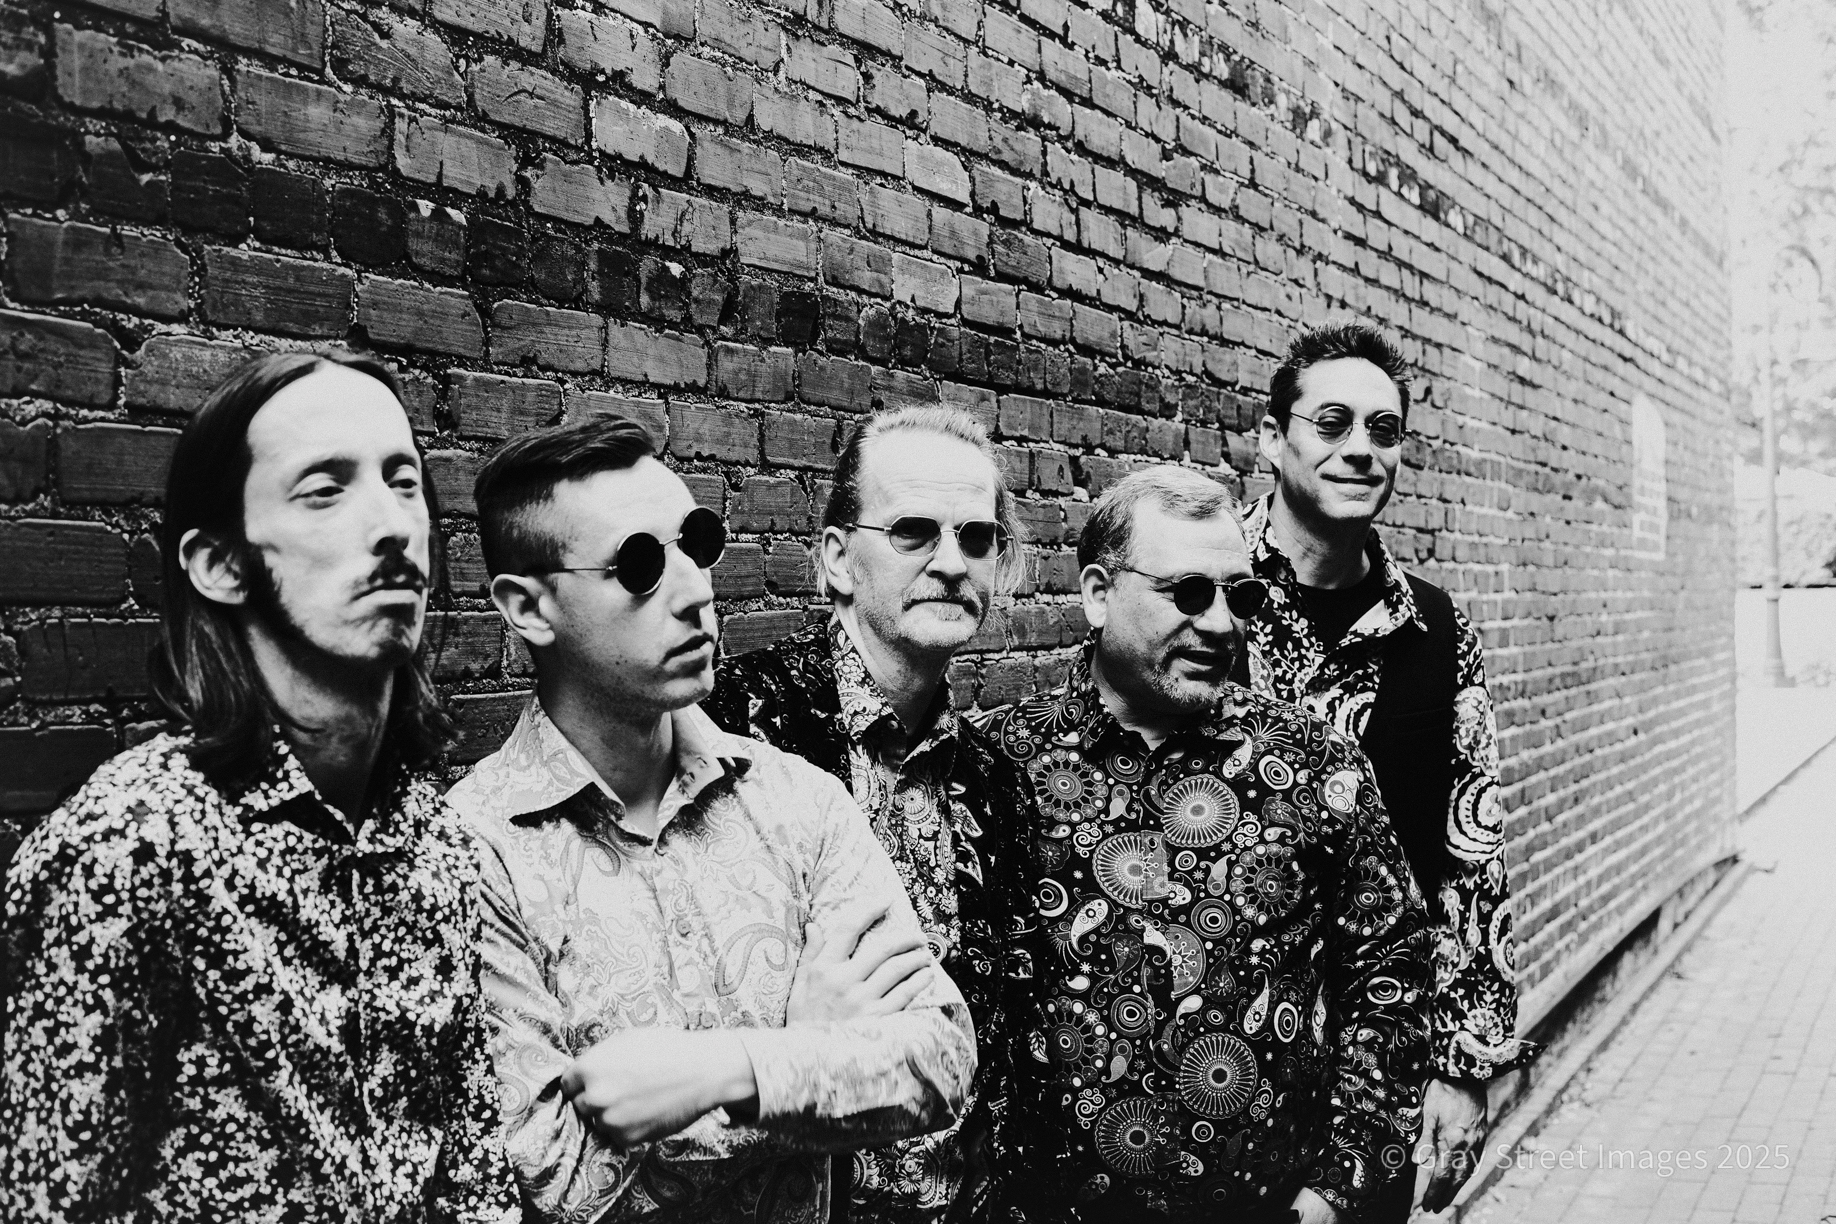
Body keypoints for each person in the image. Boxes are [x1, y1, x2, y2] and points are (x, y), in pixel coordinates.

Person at [0, 351, 517, 1221]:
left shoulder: (439, 849)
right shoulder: (132, 848)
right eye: (324, 491)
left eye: (403, 483)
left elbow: (475, 1177)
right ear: (220, 564)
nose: (392, 526)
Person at [446, 416, 975, 1223]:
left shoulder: (797, 802)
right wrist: (805, 1062)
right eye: (638, 565)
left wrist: (730, 1071)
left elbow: (939, 1062)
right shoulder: (473, 853)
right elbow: (553, 1185)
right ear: (529, 607)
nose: (695, 590)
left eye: (696, 544)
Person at [983, 466, 1431, 1224]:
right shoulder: (1001, 768)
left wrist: (1339, 1187)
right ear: (1098, 594)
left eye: (1240, 596)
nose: (1223, 624)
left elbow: (1392, 967)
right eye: (1189, 592)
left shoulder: (1314, 765)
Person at [704, 406, 1041, 1224]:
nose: (952, 563)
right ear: (837, 559)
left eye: (977, 537)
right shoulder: (736, 729)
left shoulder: (996, 782)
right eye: (913, 531)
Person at [1242, 323, 1534, 1217]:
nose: (1361, 449)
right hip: (1210, 1080)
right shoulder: (1201, 596)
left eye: (1383, 430)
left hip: (1379, 1092)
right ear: (1272, 437)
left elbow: (1472, 864)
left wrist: (1465, 1066)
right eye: (1331, 423)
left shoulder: (1436, 633)